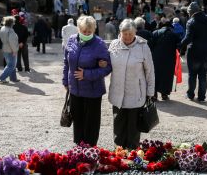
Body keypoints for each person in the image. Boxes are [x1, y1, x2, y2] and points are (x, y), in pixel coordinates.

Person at [62, 15, 112, 146]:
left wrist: (87, 74)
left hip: (93, 91)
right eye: (84, 31)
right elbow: (66, 62)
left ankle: (90, 148)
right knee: (77, 120)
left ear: (94, 30)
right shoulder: (71, 40)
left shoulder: (99, 44)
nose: (86, 34)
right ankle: (79, 148)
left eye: (89, 32)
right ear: (78, 29)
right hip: (75, 90)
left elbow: (107, 68)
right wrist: (65, 81)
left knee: (91, 122)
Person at [108, 19, 155, 150]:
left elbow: (150, 71)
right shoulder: (114, 45)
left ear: (135, 32)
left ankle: (133, 152)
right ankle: (118, 151)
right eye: (124, 33)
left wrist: (150, 92)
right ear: (120, 32)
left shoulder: (143, 46)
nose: (127, 37)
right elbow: (107, 65)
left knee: (133, 126)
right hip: (118, 92)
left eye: (130, 33)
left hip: (136, 93)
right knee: (118, 124)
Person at [180, 2, 207, 102]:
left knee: (192, 75)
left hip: (195, 52)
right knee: (203, 74)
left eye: (189, 13)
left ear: (191, 12)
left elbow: (188, 39)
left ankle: (190, 95)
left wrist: (179, 45)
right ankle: (202, 97)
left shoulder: (191, 22)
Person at [151, 19, 180, 101]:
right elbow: (179, 46)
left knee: (155, 76)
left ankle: (154, 95)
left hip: (156, 58)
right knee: (167, 76)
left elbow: (150, 45)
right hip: (169, 59)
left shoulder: (155, 33)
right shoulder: (174, 35)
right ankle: (164, 94)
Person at [0, 16, 20, 83]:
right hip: (10, 50)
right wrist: (14, 50)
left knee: (10, 64)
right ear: (11, 23)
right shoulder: (10, 30)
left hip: (4, 49)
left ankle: (13, 78)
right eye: (13, 22)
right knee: (11, 65)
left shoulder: (2, 28)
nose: (14, 23)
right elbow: (12, 42)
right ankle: (2, 78)